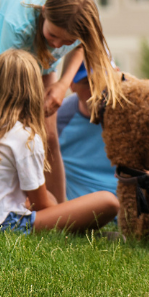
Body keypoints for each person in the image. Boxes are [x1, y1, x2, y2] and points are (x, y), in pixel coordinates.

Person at [0, 0, 122, 201]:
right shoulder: (16, 22)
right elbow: (10, 74)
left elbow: (82, 47)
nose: (58, 45)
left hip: (37, 48)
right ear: (43, 11)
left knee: (48, 135)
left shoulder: (78, 21)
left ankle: (59, 211)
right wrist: (27, 116)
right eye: (54, 36)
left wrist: (62, 85)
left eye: (67, 42)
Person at [0, 49, 119, 234]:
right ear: (35, 89)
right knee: (107, 201)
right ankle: (83, 231)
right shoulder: (24, 137)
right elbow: (41, 204)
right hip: (2, 226)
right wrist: (55, 204)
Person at [55, 63, 117, 200]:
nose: (96, 91)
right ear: (72, 85)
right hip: (86, 210)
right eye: (87, 83)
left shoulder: (134, 116)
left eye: (102, 81)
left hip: (134, 204)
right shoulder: (56, 120)